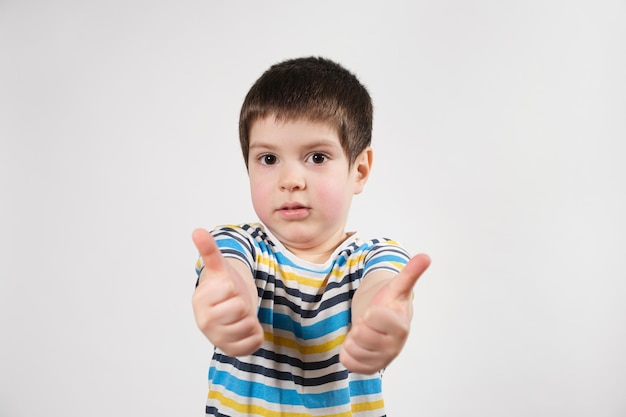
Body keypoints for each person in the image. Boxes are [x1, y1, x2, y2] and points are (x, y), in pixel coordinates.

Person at [192, 56, 431, 417]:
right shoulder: (238, 245)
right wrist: (228, 301)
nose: (290, 180)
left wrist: (380, 319)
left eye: (317, 157)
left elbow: (382, 290)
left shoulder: (374, 258)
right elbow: (230, 274)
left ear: (360, 170)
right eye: (269, 159)